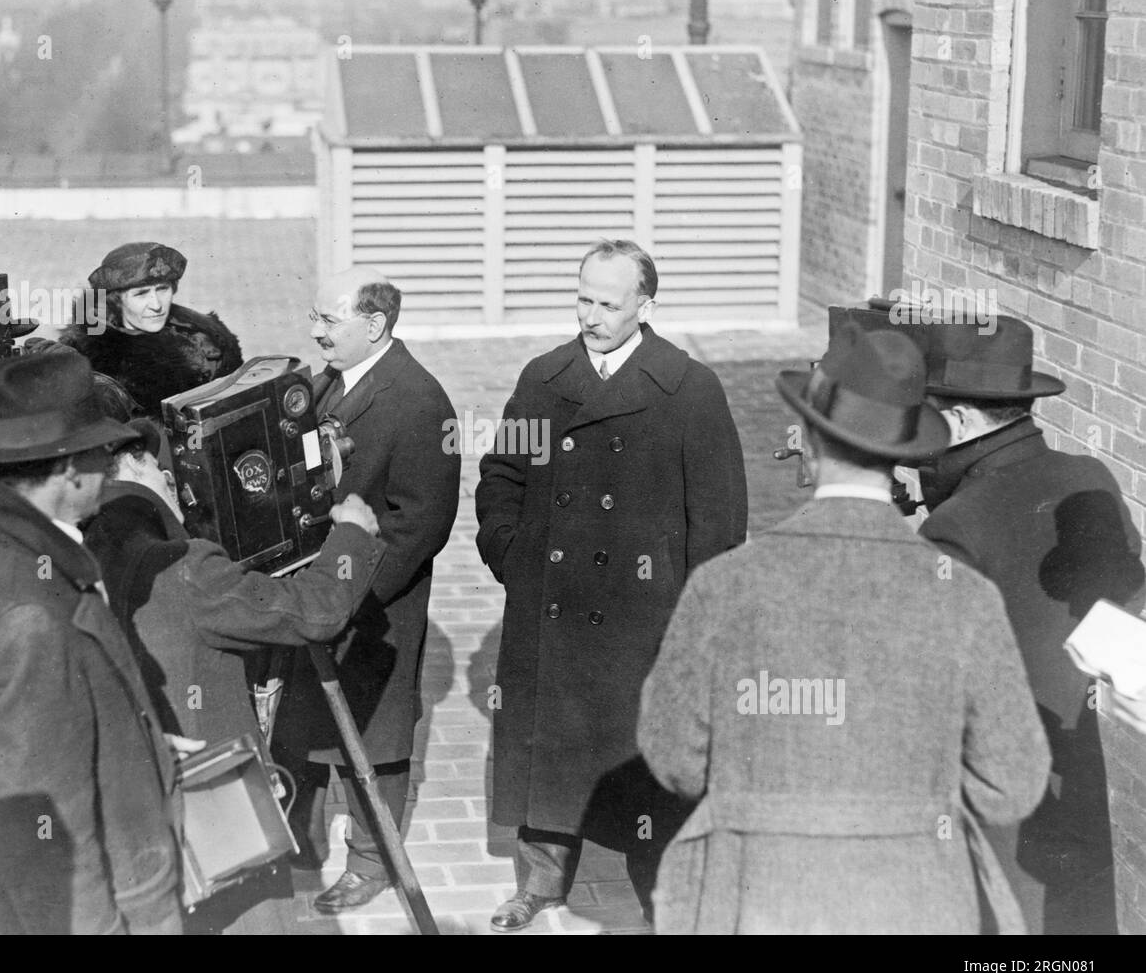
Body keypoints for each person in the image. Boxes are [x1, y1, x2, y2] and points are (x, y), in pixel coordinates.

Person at [638, 324, 1051, 934]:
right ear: (909, 452)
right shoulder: (964, 597)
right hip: (917, 902)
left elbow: (674, 759)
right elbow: (1010, 786)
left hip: (754, 895)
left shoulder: (723, 585)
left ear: (807, 442)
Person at [474, 239, 748, 932]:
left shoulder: (687, 387)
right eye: (583, 298)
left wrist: (692, 620)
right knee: (546, 748)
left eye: (608, 303)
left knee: (640, 761)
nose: (591, 315)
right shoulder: (545, 376)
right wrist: (513, 556)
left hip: (642, 618)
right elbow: (500, 476)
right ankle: (539, 882)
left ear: (646, 305)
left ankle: (659, 897)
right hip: (551, 607)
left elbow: (719, 520)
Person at [82, 419, 387, 933]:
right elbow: (315, 612)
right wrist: (352, 538)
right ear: (131, 465)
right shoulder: (182, 566)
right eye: (161, 471)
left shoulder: (79, 546)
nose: (171, 480)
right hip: (216, 812)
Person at [0, 353, 186, 934]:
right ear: (71, 469)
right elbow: (45, 838)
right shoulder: (33, 618)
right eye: (104, 453)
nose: (112, 469)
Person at [916, 316, 1146, 934]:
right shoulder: (1089, 477)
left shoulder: (956, 523)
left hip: (1004, 794)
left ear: (958, 421)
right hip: (1094, 765)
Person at [271, 267, 460, 914]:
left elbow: (422, 522)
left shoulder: (419, 401)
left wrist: (350, 589)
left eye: (329, 320)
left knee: (377, 739)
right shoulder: (325, 382)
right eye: (315, 317)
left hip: (376, 603)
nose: (315, 331)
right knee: (306, 722)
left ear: (374, 325)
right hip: (319, 589)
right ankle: (294, 839)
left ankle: (372, 863)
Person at [58, 242, 243, 417]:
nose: (156, 305)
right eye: (141, 293)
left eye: (163, 289)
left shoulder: (204, 333)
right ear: (115, 300)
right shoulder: (86, 357)